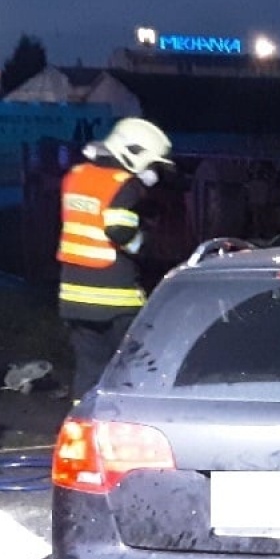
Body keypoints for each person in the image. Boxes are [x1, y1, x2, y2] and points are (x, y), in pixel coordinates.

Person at [56, 117, 172, 399]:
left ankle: (84, 424)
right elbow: (119, 229)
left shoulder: (77, 175)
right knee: (128, 371)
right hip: (115, 298)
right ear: (135, 154)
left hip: (73, 297)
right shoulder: (124, 184)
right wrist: (145, 248)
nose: (151, 172)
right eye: (151, 164)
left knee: (88, 370)